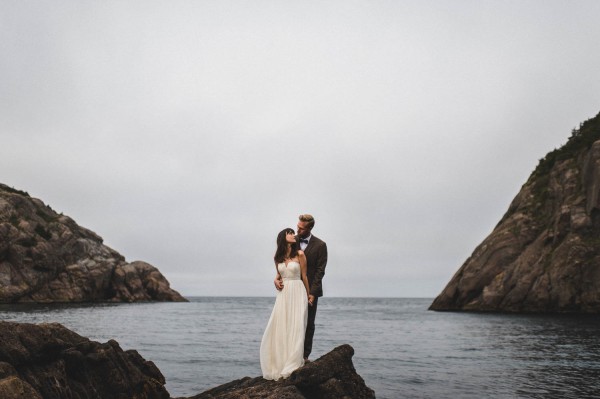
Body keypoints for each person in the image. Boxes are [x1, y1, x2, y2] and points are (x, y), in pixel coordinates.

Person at [260, 228, 312, 380]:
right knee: (281, 325)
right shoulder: (278, 258)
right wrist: (275, 280)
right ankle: (280, 362)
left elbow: (304, 276)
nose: (293, 234)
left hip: (298, 290)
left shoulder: (300, 254)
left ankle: (294, 362)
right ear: (283, 237)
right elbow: (279, 275)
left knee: (297, 326)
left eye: (292, 232)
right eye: (289, 233)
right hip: (283, 294)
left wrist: (309, 295)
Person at [274, 214, 327, 361]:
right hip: (290, 289)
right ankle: (287, 354)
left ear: (310, 228)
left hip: (309, 290)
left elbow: (320, 271)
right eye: (297, 226)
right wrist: (276, 278)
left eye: (301, 228)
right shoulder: (292, 239)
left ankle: (304, 356)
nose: (297, 230)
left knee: (308, 323)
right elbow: (283, 262)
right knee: (288, 321)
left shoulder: (320, 245)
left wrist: (312, 293)